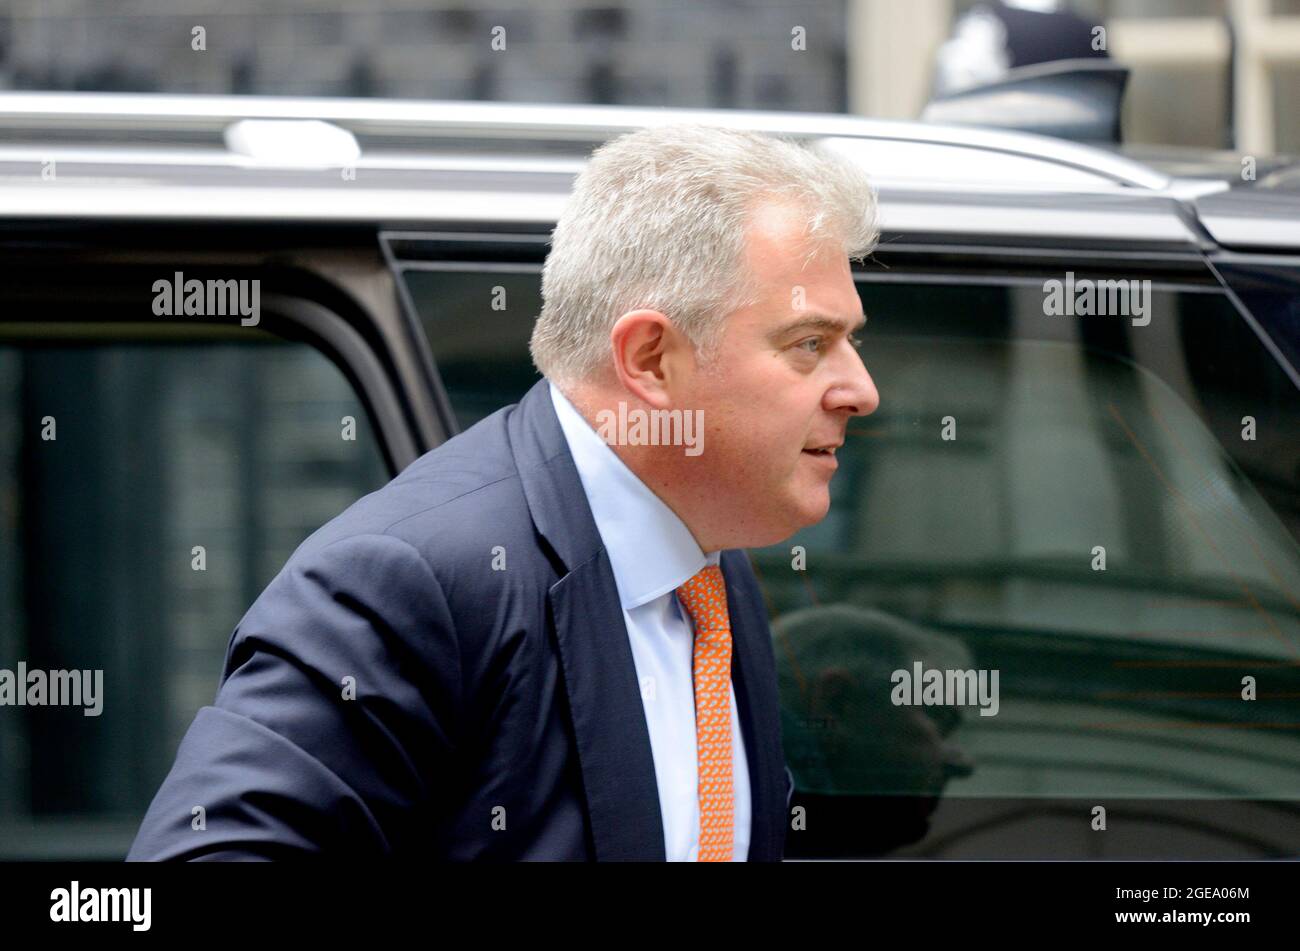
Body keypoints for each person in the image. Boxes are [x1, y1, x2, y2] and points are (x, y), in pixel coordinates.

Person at [127, 123, 881, 861]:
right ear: (651, 359)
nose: (862, 389)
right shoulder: (407, 581)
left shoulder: (711, 563)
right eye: (809, 343)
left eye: (850, 341)